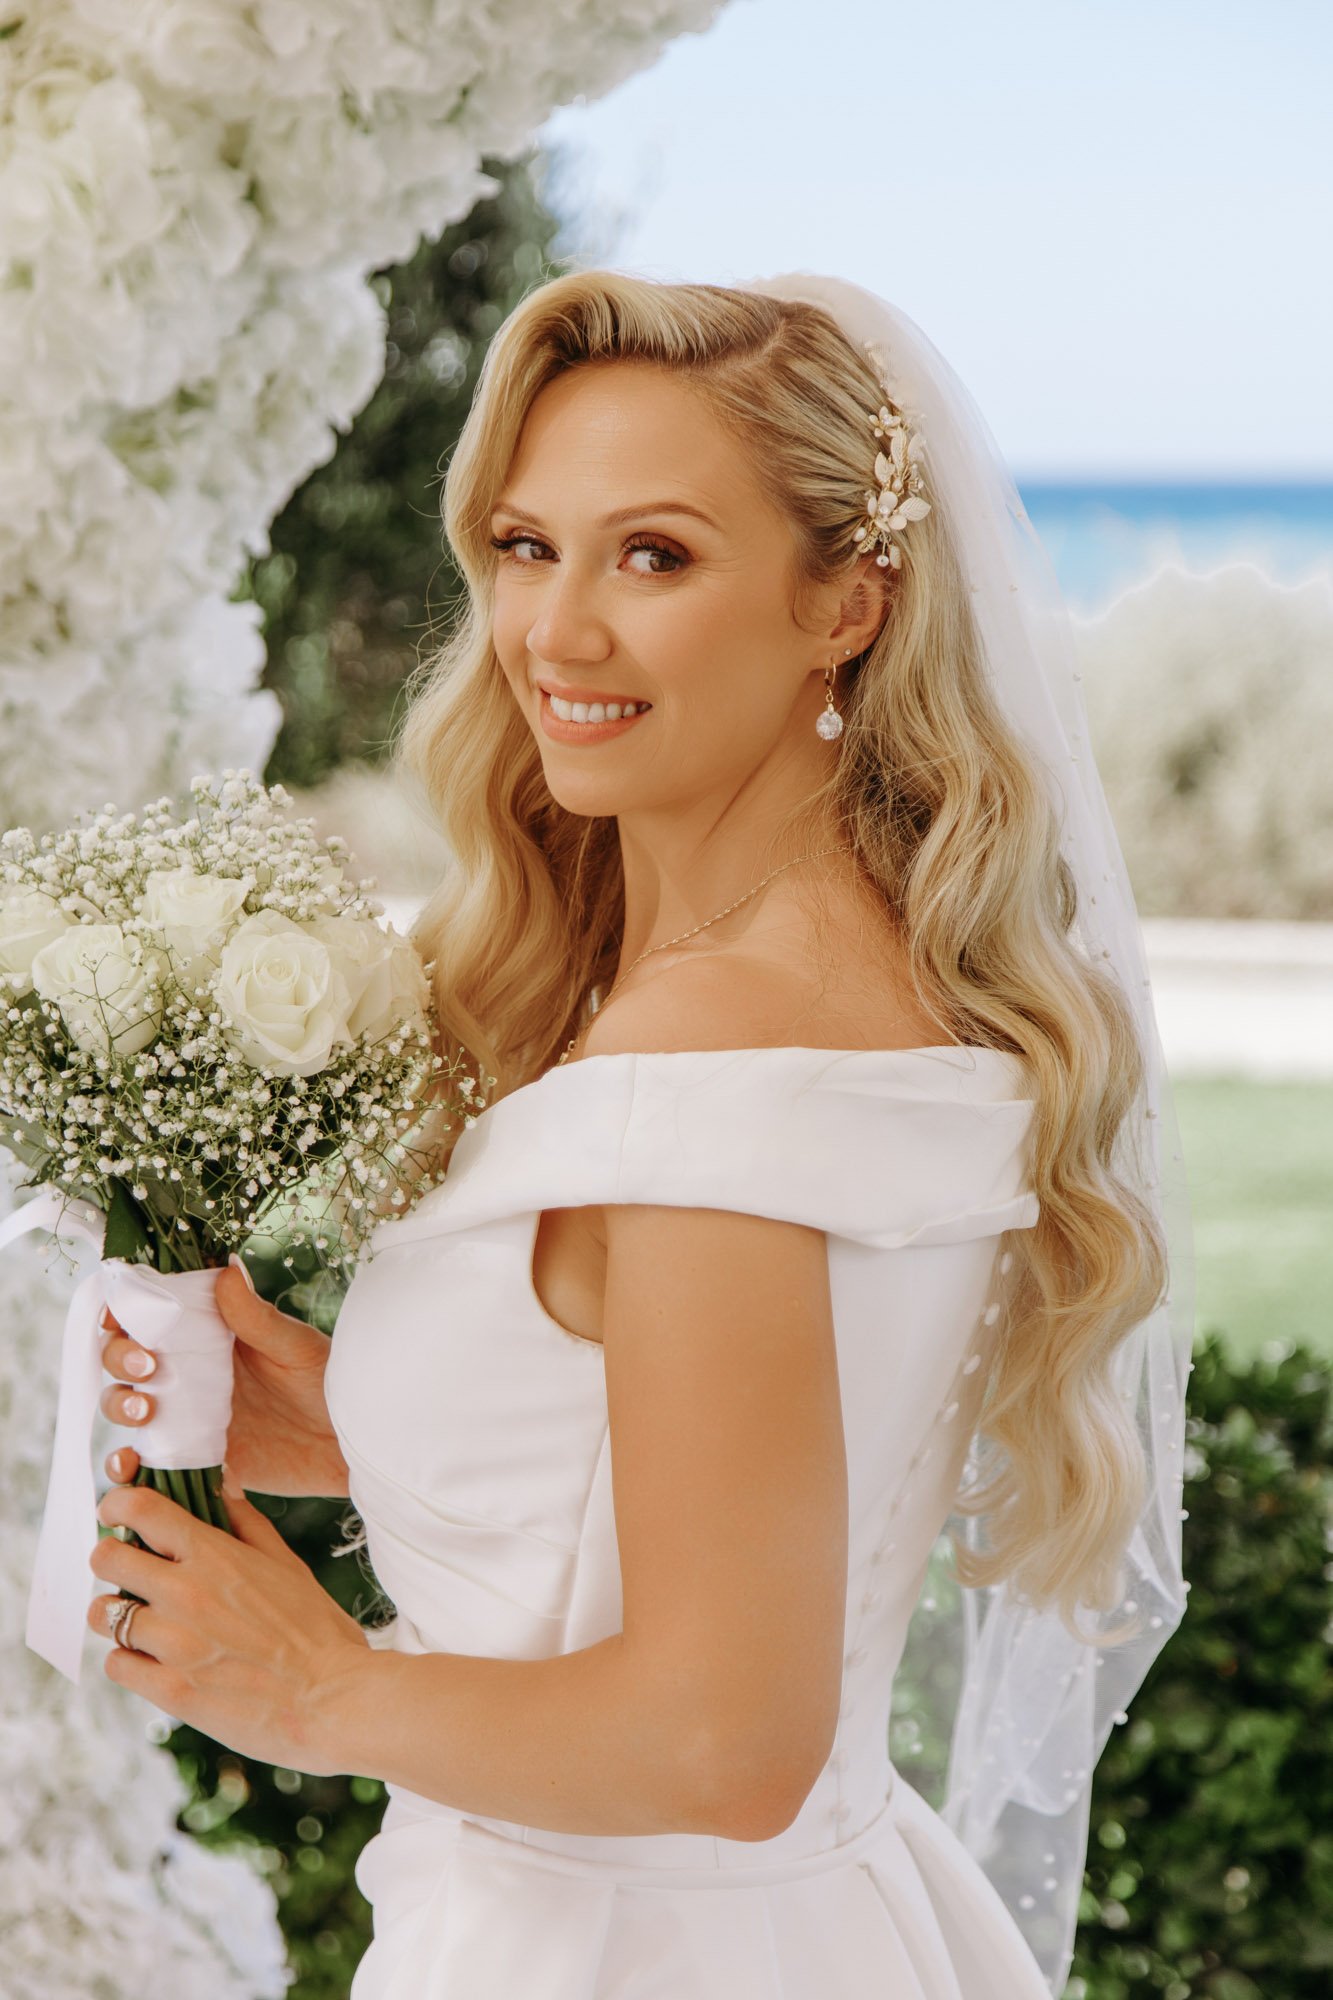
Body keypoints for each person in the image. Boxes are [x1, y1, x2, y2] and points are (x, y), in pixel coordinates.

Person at [93, 268, 1190, 1998]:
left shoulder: (708, 1047)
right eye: (526, 547)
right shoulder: (853, 976)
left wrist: (312, 1691)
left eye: (654, 555)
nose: (556, 631)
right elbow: (710, 1499)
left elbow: (720, 1742)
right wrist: (369, 1420)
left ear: (846, 598)